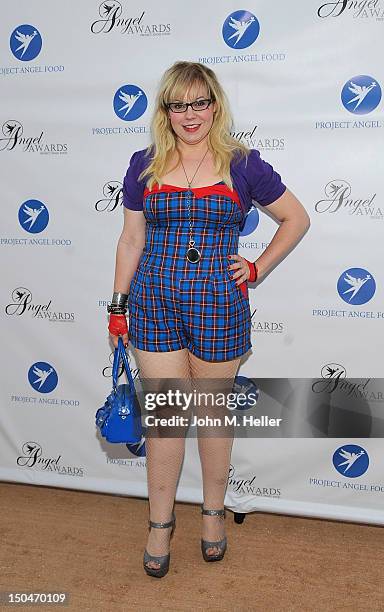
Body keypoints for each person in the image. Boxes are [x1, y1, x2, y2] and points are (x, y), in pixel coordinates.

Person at [108, 61, 310, 578]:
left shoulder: (242, 164)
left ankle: (214, 513)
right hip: (154, 302)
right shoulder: (145, 162)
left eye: (200, 103)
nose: (190, 114)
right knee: (167, 420)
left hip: (220, 302)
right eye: (179, 104)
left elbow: (296, 218)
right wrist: (117, 303)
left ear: (214, 105)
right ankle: (159, 523)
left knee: (214, 417)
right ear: (166, 111)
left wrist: (258, 266)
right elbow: (132, 239)